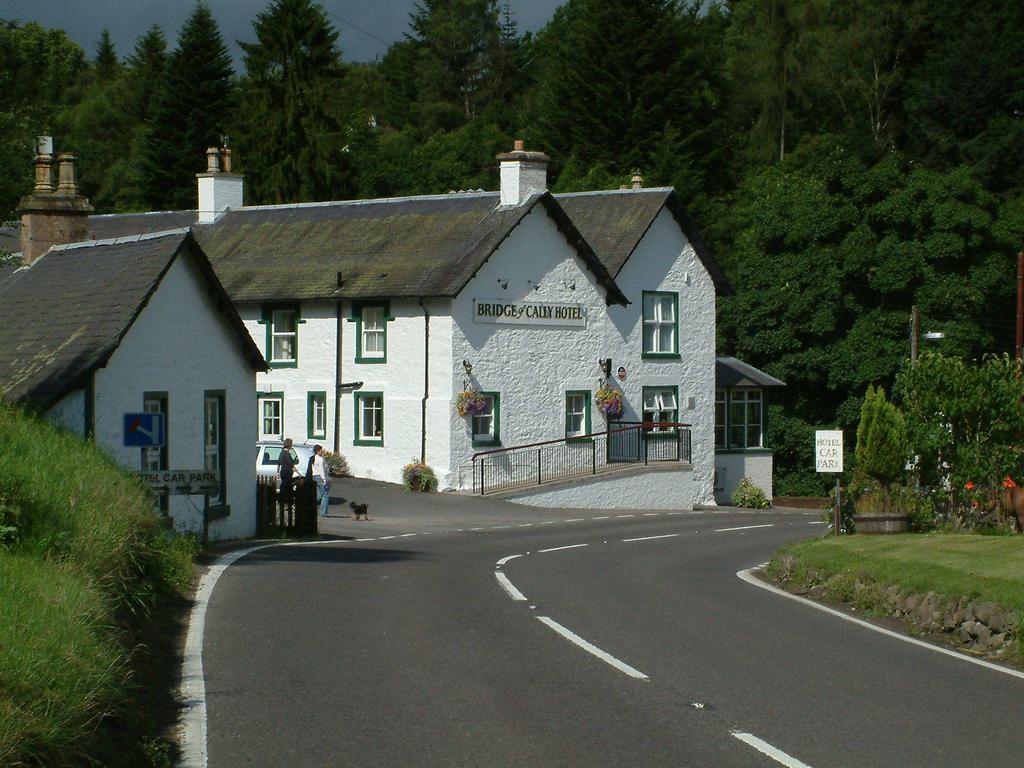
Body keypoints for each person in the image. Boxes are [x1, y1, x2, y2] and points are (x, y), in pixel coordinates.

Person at [312, 445, 330, 517]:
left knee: (318, 495)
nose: (322, 451)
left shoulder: (313, 458)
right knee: (325, 495)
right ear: (318, 451)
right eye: (321, 450)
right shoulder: (320, 459)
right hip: (320, 477)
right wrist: (324, 480)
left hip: (314, 476)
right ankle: (323, 512)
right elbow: (322, 470)